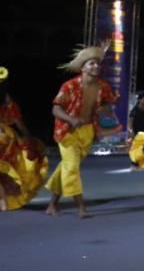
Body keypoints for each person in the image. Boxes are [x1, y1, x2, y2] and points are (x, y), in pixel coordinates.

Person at [45, 44, 117, 218]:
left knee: (68, 167)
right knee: (71, 168)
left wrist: (103, 109)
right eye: (92, 63)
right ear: (82, 67)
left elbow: (109, 104)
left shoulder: (103, 86)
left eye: (98, 63)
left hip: (87, 131)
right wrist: (71, 119)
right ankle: (81, 207)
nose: (96, 66)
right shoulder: (69, 86)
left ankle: (52, 205)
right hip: (67, 131)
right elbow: (56, 109)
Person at [0, 67, 49, 212]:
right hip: (5, 135)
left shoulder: (6, 100)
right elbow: (17, 121)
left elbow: (16, 120)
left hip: (2, 136)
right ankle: (3, 202)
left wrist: (29, 138)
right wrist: (28, 137)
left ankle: (3, 201)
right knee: (3, 171)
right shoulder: (6, 98)